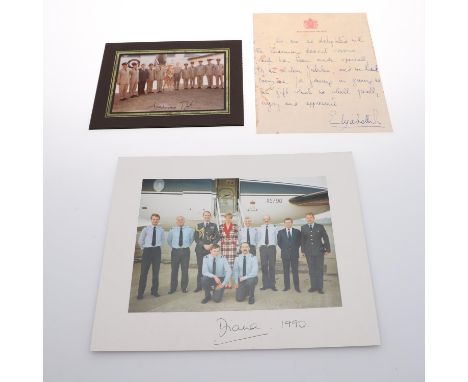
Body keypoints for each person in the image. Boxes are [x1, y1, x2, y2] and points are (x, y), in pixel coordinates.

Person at [300, 213, 331, 294]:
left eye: (310, 217)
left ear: (314, 218)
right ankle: (313, 287)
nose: (309, 219)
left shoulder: (320, 226)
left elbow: (325, 238)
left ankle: (320, 288)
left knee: (319, 269)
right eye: (307, 218)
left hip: (319, 251)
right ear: (306, 219)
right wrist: (302, 251)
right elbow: (302, 240)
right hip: (308, 252)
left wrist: (327, 249)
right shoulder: (303, 227)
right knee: (311, 270)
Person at [137, 213, 165, 299]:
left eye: (157, 219)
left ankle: (154, 291)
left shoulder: (161, 230)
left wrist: (157, 247)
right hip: (147, 251)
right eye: (154, 219)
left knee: (156, 273)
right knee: (143, 273)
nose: (155, 221)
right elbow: (140, 240)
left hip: (157, 251)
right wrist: (144, 248)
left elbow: (162, 240)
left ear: (158, 220)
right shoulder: (146, 229)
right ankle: (140, 293)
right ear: (151, 220)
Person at [167, 216, 195, 294]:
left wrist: (185, 246)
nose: (180, 221)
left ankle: (184, 287)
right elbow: (169, 240)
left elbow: (191, 239)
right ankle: (173, 288)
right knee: (174, 270)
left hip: (185, 251)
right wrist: (175, 247)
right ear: (176, 221)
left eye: (182, 220)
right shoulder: (172, 230)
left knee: (185, 270)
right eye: (178, 220)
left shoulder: (189, 230)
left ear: (184, 221)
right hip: (175, 252)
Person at [194, 211, 220, 292]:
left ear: (210, 216)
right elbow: (196, 238)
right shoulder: (198, 226)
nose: (207, 217)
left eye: (208, 215)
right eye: (205, 215)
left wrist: (211, 245)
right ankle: (199, 286)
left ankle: (211, 285)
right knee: (200, 268)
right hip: (200, 250)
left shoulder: (214, 225)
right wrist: (204, 245)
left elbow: (217, 237)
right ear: (203, 216)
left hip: (211, 250)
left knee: (211, 268)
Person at [277, 218, 302, 292]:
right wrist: (285, 249)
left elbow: (299, 242)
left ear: (292, 223)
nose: (288, 224)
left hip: (294, 254)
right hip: (285, 255)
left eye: (289, 222)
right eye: (286, 222)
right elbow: (279, 243)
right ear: (284, 223)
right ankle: (286, 287)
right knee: (286, 271)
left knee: (295, 271)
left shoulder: (297, 231)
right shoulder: (280, 232)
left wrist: (294, 248)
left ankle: (297, 287)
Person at [257, 215, 278, 291]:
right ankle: (265, 284)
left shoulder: (274, 227)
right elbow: (258, 238)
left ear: (270, 219)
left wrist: (273, 245)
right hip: (263, 248)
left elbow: (276, 238)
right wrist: (260, 246)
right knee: (264, 266)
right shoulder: (260, 228)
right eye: (265, 219)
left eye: (267, 219)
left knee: (272, 266)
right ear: (263, 220)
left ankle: (272, 285)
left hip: (271, 248)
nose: (266, 220)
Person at [218, 212, 239, 287]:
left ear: (231, 218)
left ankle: (230, 281)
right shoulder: (221, 227)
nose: (228, 219)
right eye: (226, 217)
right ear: (225, 218)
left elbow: (236, 237)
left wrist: (231, 241)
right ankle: (227, 281)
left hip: (232, 247)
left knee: (231, 264)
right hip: (224, 247)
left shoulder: (235, 226)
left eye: (229, 217)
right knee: (225, 264)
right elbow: (220, 237)